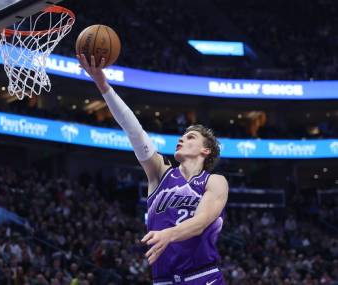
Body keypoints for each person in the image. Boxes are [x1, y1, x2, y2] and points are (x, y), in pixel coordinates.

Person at [77, 54, 229, 285]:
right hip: (163, 280)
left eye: (190, 137)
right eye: (182, 135)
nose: (181, 139)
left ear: (205, 151)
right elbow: (134, 131)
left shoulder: (214, 181)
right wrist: (102, 82)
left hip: (202, 277)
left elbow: (200, 222)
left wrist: (168, 234)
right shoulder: (160, 173)